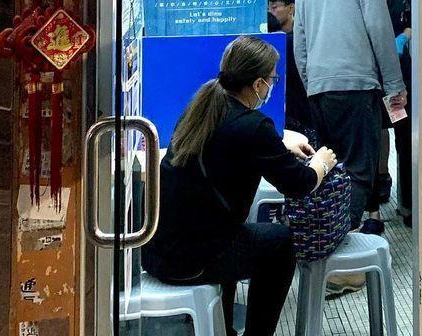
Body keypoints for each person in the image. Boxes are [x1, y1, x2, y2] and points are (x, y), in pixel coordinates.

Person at [142, 36, 337, 336]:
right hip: (192, 260)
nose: (272, 86)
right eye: (272, 79)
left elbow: (232, 147)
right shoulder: (254, 126)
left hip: (158, 251)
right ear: (258, 84)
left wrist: (278, 149)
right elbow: (300, 184)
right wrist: (321, 163)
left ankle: (225, 328)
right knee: (280, 243)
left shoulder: (203, 106)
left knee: (235, 234)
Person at [295, 0, 407, 236]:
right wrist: (395, 85)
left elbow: (300, 43)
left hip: (319, 89)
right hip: (356, 86)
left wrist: (313, 83)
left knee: (331, 166)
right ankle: (339, 240)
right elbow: (379, 30)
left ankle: (327, 236)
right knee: (360, 170)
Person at [366, 0, 413, 232]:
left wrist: (405, 35)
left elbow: (413, 20)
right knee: (373, 138)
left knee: (406, 137)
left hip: (402, 73)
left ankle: (408, 203)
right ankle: (373, 208)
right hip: (372, 75)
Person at [267, 0, 311, 135]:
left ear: (291, 8)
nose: (269, 12)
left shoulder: (304, 38)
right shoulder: (266, 40)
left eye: (274, 7)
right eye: (267, 7)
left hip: (302, 110)